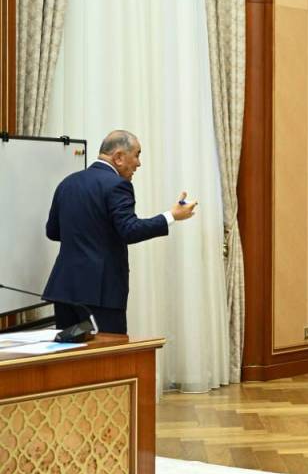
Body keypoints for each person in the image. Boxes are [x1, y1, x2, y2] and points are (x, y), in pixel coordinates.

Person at [42, 130, 197, 334]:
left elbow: (53, 231)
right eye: (137, 155)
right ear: (119, 157)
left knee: (71, 352)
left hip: (64, 290)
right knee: (108, 353)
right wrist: (172, 216)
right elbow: (129, 230)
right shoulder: (117, 185)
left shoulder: (68, 183)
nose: (139, 163)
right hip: (100, 292)